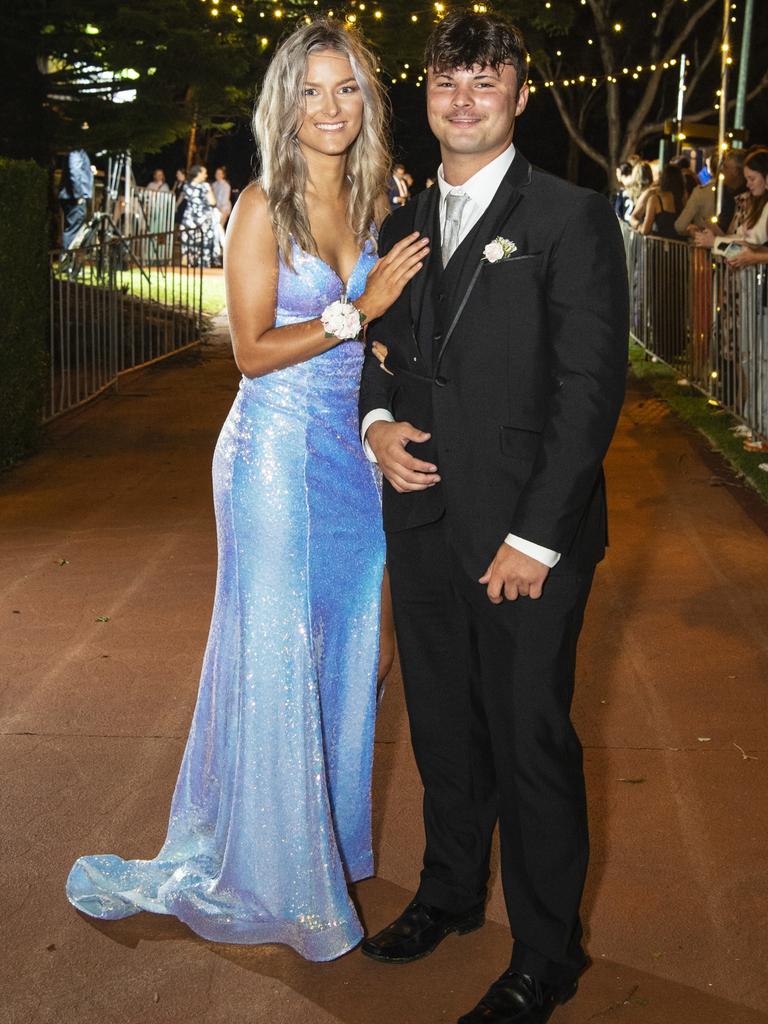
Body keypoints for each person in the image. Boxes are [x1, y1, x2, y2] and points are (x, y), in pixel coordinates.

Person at [66, 19, 428, 962]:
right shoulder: (263, 206)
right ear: (285, 104)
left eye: (346, 88)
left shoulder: (379, 197)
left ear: (368, 100)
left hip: (349, 460)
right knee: (274, 649)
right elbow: (253, 351)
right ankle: (272, 871)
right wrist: (361, 312)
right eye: (310, 91)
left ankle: (324, 842)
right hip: (270, 454)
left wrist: (389, 343)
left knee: (350, 646)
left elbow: (387, 342)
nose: (330, 108)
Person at [358, 10, 628, 1024]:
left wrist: (537, 538)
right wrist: (378, 424)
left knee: (530, 739)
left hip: (527, 538)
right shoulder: (401, 220)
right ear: (425, 98)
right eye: (446, 83)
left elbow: (589, 390)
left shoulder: (569, 215)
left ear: (519, 96)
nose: (463, 99)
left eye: (486, 82)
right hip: (422, 524)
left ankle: (549, 952)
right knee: (442, 727)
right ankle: (449, 892)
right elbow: (378, 357)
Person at [694, 148, 768, 250]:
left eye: (752, 178)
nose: (748, 184)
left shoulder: (756, 204)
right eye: (747, 179)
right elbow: (741, 241)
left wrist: (714, 242)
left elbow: (750, 250)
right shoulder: (756, 204)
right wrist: (716, 240)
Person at [179, 164, 218, 267]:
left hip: (189, 219)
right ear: (199, 173)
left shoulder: (187, 186)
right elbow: (213, 202)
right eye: (204, 173)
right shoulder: (205, 186)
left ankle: (188, 266)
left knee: (188, 243)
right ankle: (204, 266)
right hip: (202, 220)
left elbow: (184, 198)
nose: (206, 175)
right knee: (204, 244)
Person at [638, 162, 685, 238]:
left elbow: (645, 230)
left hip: (660, 247)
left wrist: (638, 227)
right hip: (679, 246)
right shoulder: (683, 199)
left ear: (663, 179)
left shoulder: (655, 199)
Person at [59, 148, 93, 248]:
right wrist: (79, 195)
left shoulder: (74, 151)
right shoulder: (76, 151)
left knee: (72, 229)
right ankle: (67, 260)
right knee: (73, 231)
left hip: (70, 196)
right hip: (74, 198)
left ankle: (68, 259)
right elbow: (74, 170)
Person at [675, 155, 717, 236]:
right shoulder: (737, 191)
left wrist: (691, 230)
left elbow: (680, 226)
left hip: (702, 243)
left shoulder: (701, 191)